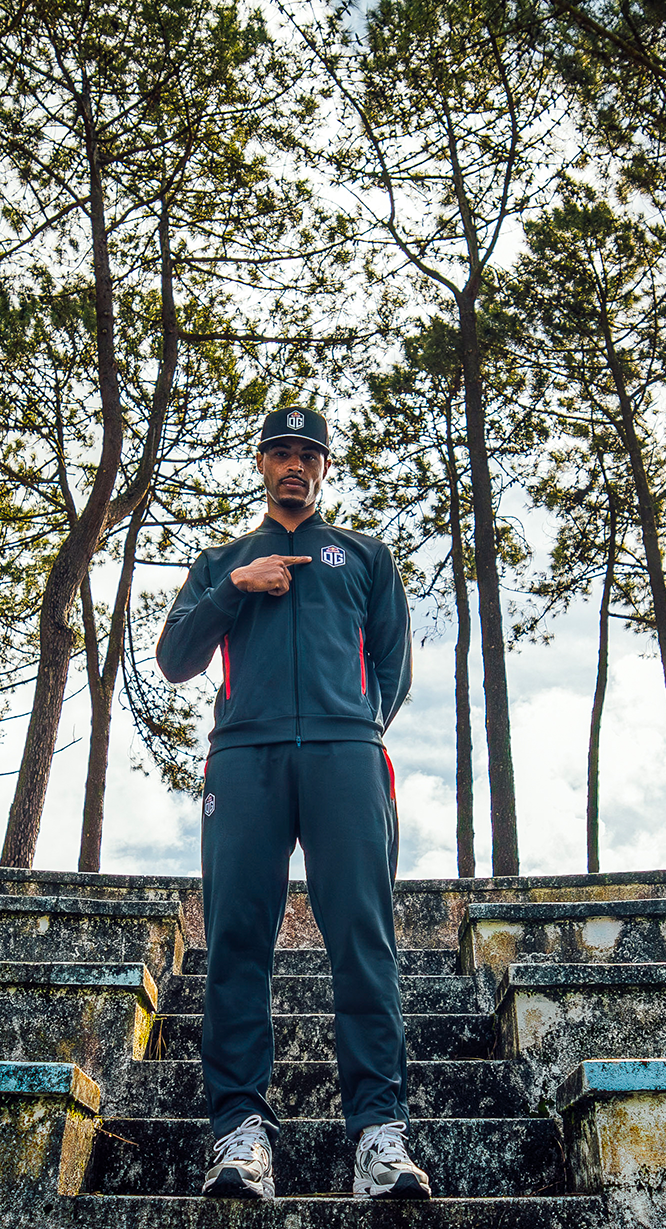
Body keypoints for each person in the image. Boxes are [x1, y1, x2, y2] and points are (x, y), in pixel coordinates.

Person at [156, 407, 430, 1201]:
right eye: (280, 451)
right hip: (244, 759)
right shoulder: (221, 560)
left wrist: (351, 725)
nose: (294, 465)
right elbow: (176, 658)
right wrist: (236, 590)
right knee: (237, 940)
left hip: (347, 755)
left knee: (363, 940)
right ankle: (240, 1136)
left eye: (308, 454)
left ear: (324, 468)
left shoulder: (367, 558)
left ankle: (380, 1135)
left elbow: (391, 667)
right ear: (261, 462)